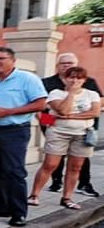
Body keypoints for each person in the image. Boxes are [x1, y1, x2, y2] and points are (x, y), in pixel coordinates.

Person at [0, 46, 47, 227]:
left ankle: (18, 212)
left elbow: (40, 104)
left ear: (13, 60)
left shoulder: (27, 79)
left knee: (13, 172)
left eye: (1, 59)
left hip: (14, 131)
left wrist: (9, 112)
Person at [28, 66, 100, 210]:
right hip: (58, 133)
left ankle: (67, 197)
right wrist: (71, 94)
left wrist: (70, 116)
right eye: (71, 77)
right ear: (64, 79)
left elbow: (95, 112)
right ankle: (34, 195)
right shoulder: (56, 93)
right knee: (50, 164)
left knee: (75, 167)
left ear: (84, 80)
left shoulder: (91, 94)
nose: (75, 80)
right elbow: (63, 109)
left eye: (79, 78)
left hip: (83, 134)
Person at [42, 52, 100, 197]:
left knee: (81, 157)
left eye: (71, 63)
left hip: (83, 126)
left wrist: (74, 114)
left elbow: (100, 101)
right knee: (55, 154)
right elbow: (41, 104)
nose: (67, 66)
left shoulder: (88, 81)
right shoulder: (47, 82)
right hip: (52, 122)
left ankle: (84, 184)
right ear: (57, 66)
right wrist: (50, 124)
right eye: (63, 63)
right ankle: (56, 181)